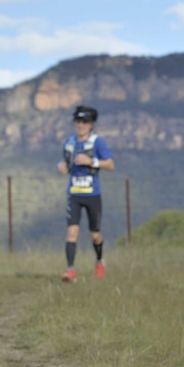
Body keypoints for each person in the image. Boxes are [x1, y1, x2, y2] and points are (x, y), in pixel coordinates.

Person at [57, 105, 115, 282]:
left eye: (85, 122)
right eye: (78, 121)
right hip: (74, 193)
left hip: (92, 195)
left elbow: (110, 165)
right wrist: (61, 166)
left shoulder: (98, 142)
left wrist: (91, 161)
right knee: (72, 231)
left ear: (91, 125)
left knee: (95, 234)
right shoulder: (69, 143)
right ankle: (70, 270)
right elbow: (65, 163)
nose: (81, 125)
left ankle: (99, 261)